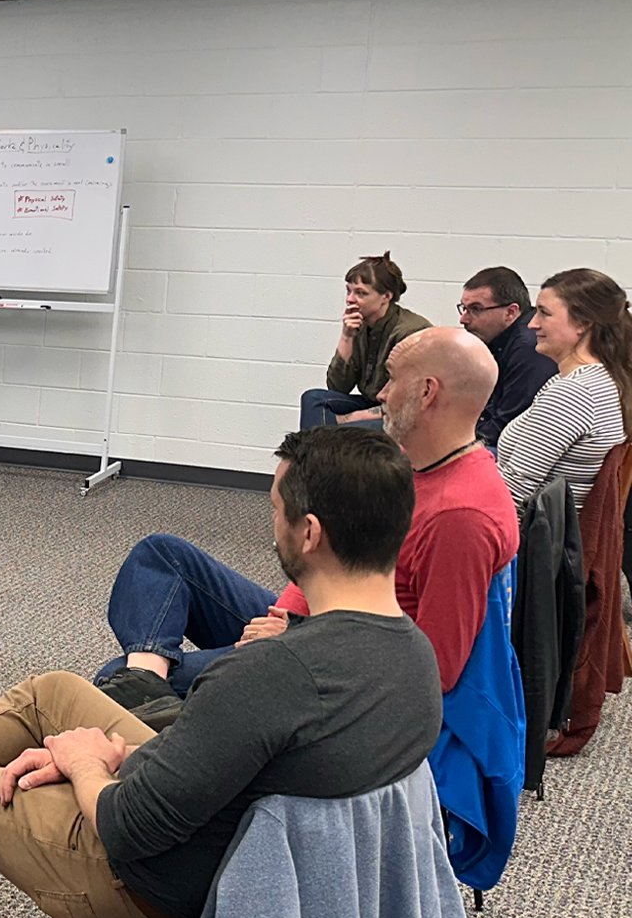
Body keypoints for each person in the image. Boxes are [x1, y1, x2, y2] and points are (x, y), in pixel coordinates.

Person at [0, 426, 442, 918]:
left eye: (274, 507)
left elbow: (129, 826)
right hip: (236, 839)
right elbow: (240, 756)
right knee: (55, 692)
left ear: (310, 532)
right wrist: (121, 754)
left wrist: (80, 763)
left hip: (159, 893)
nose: (272, 523)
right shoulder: (414, 656)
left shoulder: (268, 674)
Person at [99, 328, 513, 704]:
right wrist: (287, 617)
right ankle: (149, 682)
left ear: (426, 392)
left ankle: (148, 691)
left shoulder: (460, 517)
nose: (382, 394)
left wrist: (297, 638)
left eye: (392, 379)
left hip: (335, 657)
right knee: (162, 555)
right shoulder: (418, 463)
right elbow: (326, 557)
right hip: (316, 618)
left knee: (113, 680)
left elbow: (433, 669)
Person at [497, 267, 631, 514]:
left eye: (544, 314)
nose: (532, 324)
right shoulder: (604, 378)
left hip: (536, 543)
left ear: (583, 323)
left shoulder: (575, 394)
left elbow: (514, 492)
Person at [300, 252, 429, 429]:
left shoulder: (410, 331)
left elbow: (409, 401)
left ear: (386, 297)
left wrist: (352, 417)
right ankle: (315, 454)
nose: (350, 299)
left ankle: (316, 454)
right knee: (313, 399)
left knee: (339, 430)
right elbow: (337, 388)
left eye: (361, 293)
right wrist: (347, 336)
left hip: (403, 414)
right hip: (371, 402)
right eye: (348, 291)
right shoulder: (361, 323)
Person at [459, 265, 554, 447]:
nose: (463, 319)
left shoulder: (529, 347)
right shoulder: (496, 339)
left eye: (476, 309)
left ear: (510, 312)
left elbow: (506, 424)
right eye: (464, 308)